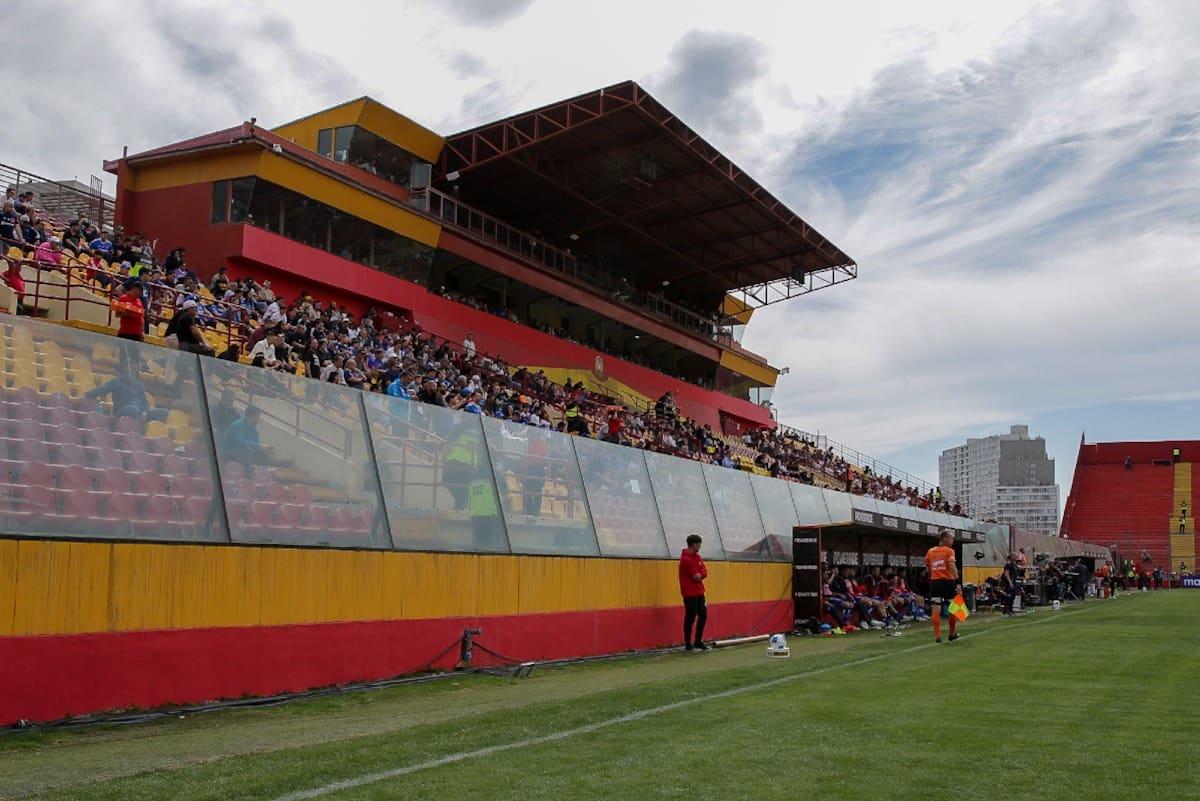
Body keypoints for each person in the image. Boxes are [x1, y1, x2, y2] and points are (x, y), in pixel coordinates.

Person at [924, 529, 961, 643]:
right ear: (944, 538)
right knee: (953, 609)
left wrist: (933, 575)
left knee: (936, 608)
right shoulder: (949, 551)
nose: (952, 540)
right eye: (951, 538)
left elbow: (928, 567)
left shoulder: (930, 551)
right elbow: (951, 565)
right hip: (948, 582)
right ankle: (951, 634)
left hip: (935, 583)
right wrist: (958, 582)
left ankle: (938, 635)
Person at [679, 534, 709, 651]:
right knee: (690, 618)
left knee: (703, 615)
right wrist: (701, 574)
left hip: (699, 592)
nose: (700, 546)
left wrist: (700, 574)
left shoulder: (697, 557)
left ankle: (698, 640)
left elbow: (703, 571)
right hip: (689, 593)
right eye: (699, 544)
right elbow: (695, 576)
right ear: (694, 545)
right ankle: (688, 643)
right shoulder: (686, 559)